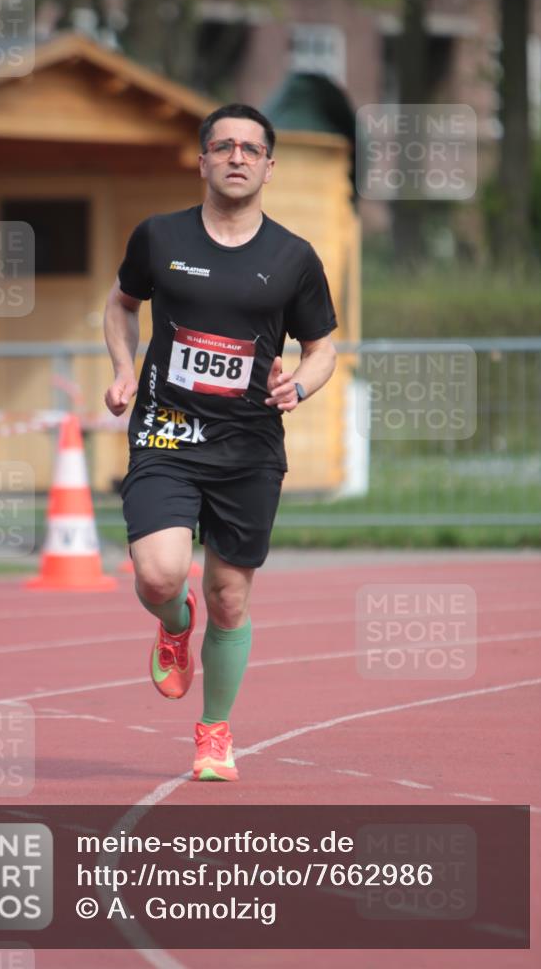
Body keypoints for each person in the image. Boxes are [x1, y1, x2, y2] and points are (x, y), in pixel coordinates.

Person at [104, 104, 337, 781]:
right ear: (202, 159)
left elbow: (321, 347)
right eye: (224, 146)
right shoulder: (159, 236)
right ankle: (175, 623)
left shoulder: (293, 256)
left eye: (250, 149)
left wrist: (300, 385)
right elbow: (120, 304)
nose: (237, 157)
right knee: (158, 573)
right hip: (167, 432)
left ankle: (213, 732)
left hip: (248, 446)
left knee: (230, 596)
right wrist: (122, 368)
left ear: (269, 166)